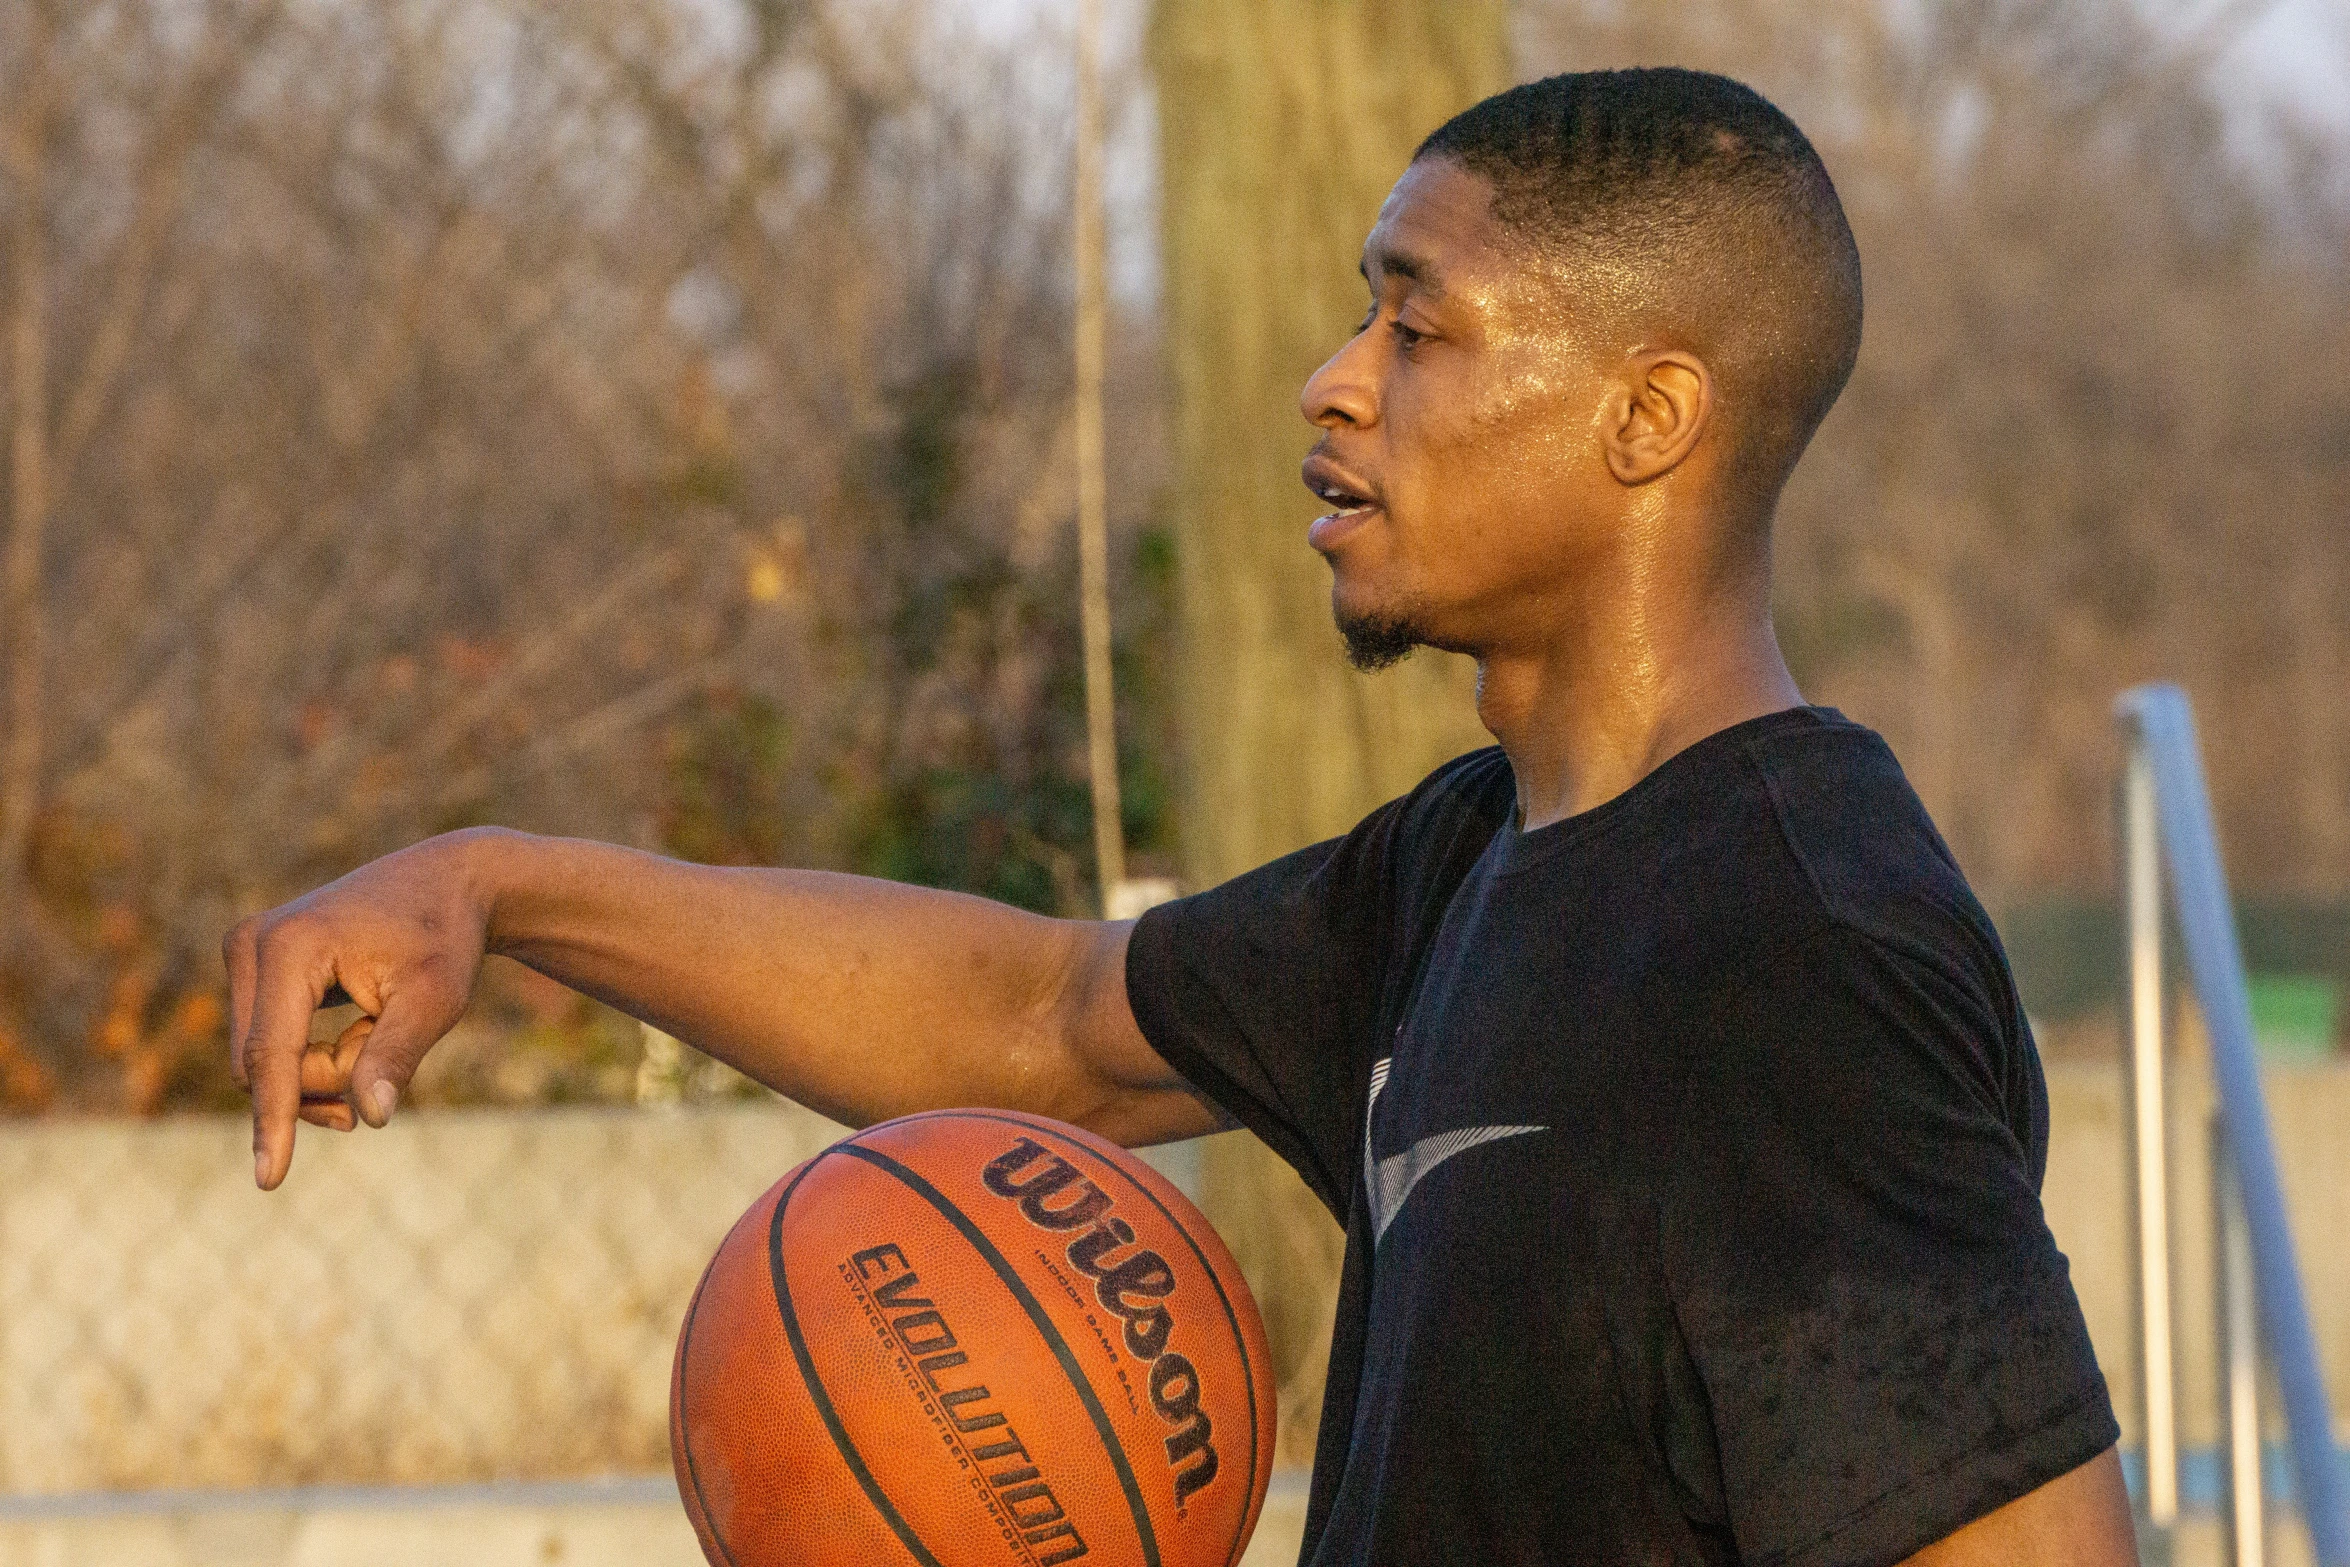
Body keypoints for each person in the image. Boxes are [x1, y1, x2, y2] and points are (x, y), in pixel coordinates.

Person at [227, 68, 2136, 1567]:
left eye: (1419, 325)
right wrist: (494, 886)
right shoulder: (1470, 860)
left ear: (1646, 419)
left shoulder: (1794, 957)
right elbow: (1031, 1025)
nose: (1332, 380)